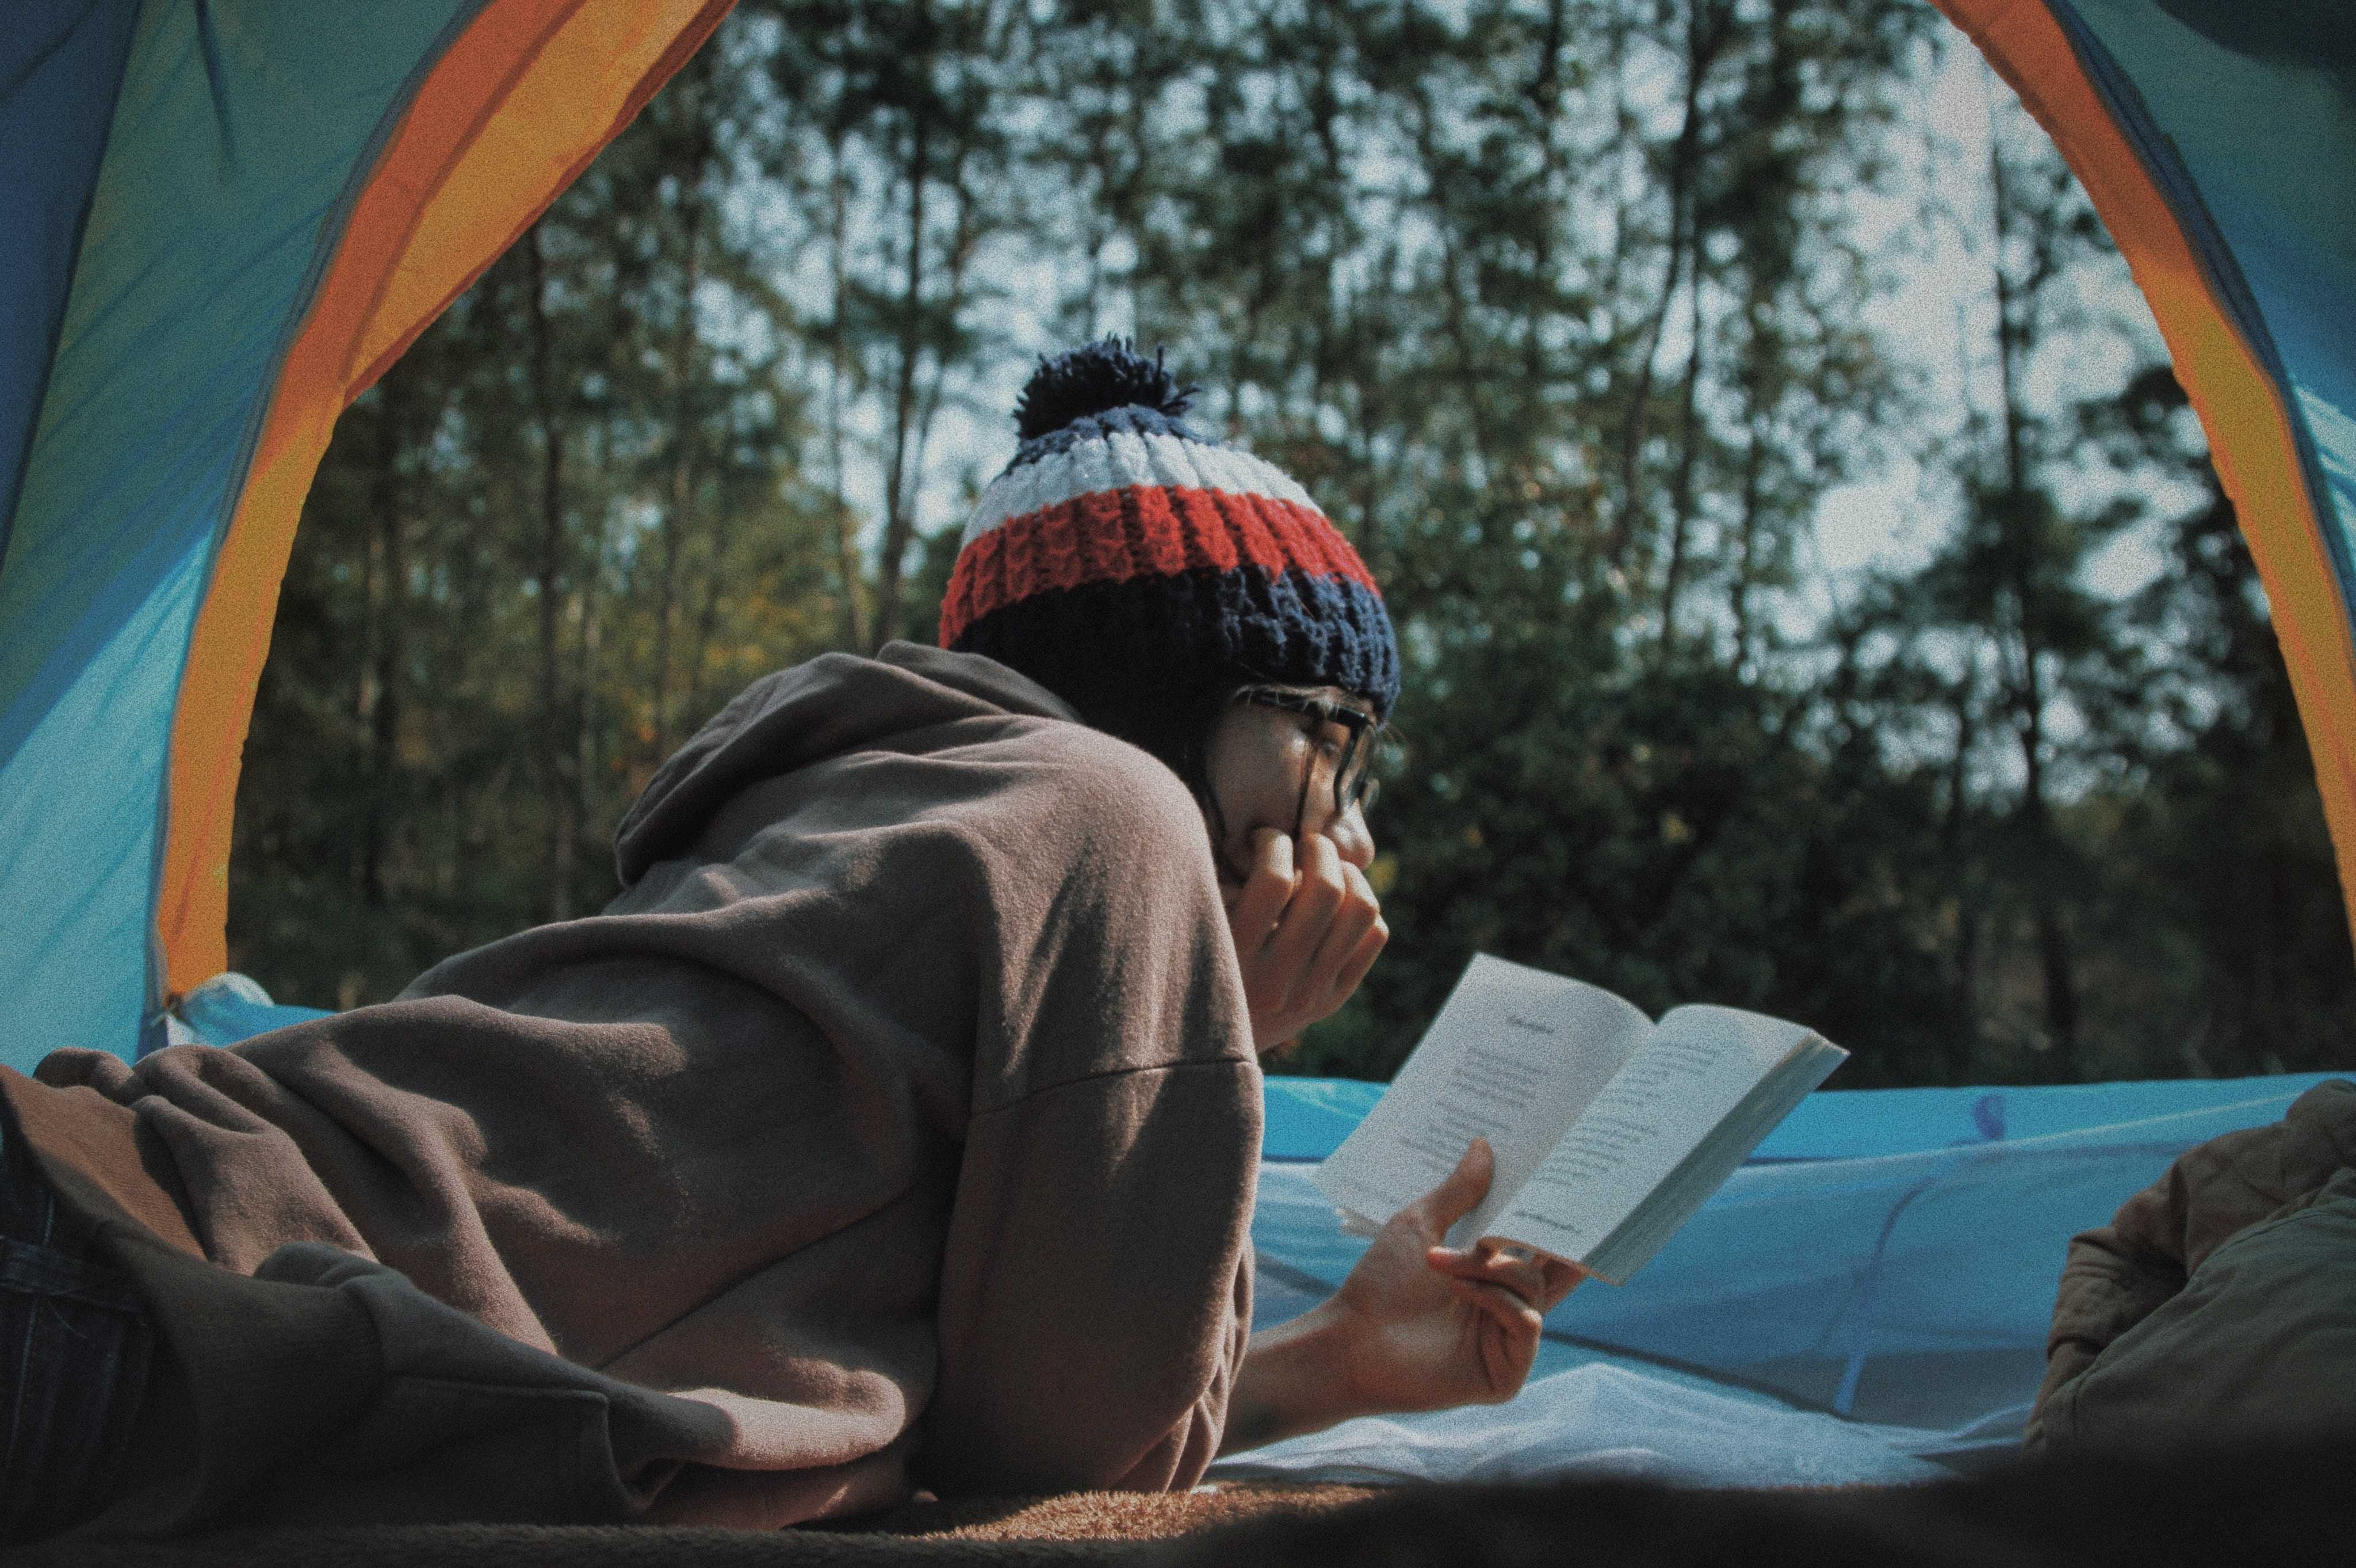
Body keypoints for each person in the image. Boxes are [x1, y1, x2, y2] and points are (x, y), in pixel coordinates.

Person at [0, 340, 1581, 1544]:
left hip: (101, 1235)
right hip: (141, 1301)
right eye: (1331, 740)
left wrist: (1337, 1359)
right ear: (1181, 700)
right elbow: (1074, 1480)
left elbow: (978, 1385)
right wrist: (1225, 1024)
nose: (1356, 826)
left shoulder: (883, 811)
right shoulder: (1114, 817)